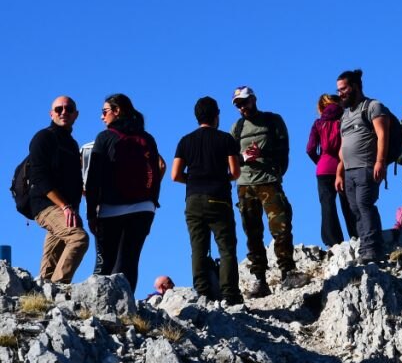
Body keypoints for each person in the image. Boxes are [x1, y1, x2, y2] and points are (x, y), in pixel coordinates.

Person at [230, 86, 306, 294]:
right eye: (238, 104)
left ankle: (288, 272)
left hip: (269, 181)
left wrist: (272, 163)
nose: (242, 107)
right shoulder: (236, 128)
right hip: (245, 185)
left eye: (244, 102)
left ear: (254, 99)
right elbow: (230, 158)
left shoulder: (273, 120)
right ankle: (259, 279)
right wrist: (245, 158)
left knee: (280, 226)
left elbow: (284, 148)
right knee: (252, 232)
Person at [85, 94, 163, 292]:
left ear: (117, 111)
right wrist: (152, 203)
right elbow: (159, 166)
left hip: (110, 209)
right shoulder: (147, 138)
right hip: (143, 208)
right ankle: (126, 308)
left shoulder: (105, 138)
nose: (102, 117)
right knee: (129, 261)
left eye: (104, 112)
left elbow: (93, 177)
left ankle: (100, 306)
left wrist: (91, 214)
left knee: (105, 265)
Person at [171, 96, 243, 304]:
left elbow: (175, 175)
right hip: (219, 198)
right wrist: (220, 178)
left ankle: (202, 293)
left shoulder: (185, 141)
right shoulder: (225, 139)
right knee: (226, 247)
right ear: (216, 115)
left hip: (193, 199)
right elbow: (235, 171)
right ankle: (230, 295)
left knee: (198, 248)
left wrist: (194, 180)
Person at [28, 96, 89, 284]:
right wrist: (64, 206)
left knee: (52, 260)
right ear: (51, 113)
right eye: (59, 109)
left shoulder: (71, 144)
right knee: (78, 238)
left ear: (76, 114)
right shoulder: (43, 137)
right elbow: (38, 177)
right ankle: (59, 288)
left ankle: (44, 296)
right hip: (47, 205)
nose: (64, 112)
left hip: (67, 207)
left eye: (68, 109)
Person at [335, 69, 388, 263]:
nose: (340, 93)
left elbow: (383, 135)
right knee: (355, 209)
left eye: (343, 89)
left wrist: (380, 162)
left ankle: (373, 249)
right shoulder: (345, 115)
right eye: (338, 89)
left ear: (355, 86)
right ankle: (365, 248)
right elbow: (343, 146)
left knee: (365, 205)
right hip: (348, 171)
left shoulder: (373, 107)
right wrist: (339, 173)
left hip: (367, 166)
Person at [306, 94, 356, 246]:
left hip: (324, 169)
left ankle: (333, 241)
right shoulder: (345, 119)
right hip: (345, 166)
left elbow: (310, 149)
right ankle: (356, 236)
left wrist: (319, 161)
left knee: (327, 205)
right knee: (349, 205)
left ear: (321, 108)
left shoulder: (318, 123)